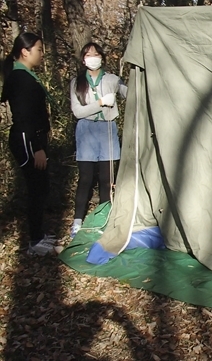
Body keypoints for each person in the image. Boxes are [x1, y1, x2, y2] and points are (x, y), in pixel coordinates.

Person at [1, 32, 58, 255]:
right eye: (39, 50)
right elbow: (25, 117)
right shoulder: (21, 78)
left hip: (33, 136)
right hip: (27, 139)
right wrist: (37, 148)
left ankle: (40, 234)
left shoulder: (26, 75)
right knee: (36, 188)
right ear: (25, 51)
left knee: (41, 187)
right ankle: (34, 242)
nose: (42, 54)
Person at [70, 42, 127, 237]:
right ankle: (77, 222)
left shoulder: (112, 79)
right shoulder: (76, 82)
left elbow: (129, 93)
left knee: (107, 179)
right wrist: (101, 103)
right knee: (85, 178)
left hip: (108, 130)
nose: (92, 57)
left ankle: (104, 220)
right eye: (88, 54)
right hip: (86, 130)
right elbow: (78, 111)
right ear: (83, 59)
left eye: (96, 53)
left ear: (102, 57)